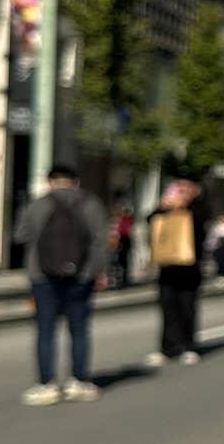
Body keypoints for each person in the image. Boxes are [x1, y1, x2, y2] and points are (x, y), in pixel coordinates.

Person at [13, 164, 107, 406]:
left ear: (50, 181)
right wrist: (96, 271)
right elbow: (102, 240)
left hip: (42, 276)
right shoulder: (91, 204)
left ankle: (47, 384)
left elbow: (21, 235)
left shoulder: (37, 205)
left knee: (45, 331)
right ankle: (79, 380)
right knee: (79, 330)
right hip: (81, 276)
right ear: (75, 181)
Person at [147, 177, 208, 366]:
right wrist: (163, 207)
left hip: (190, 269)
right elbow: (150, 220)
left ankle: (188, 346)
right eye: (178, 189)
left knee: (187, 308)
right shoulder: (165, 210)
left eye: (185, 189)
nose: (181, 193)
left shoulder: (198, 209)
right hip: (167, 267)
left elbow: (200, 230)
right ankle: (168, 347)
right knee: (167, 308)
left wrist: (184, 207)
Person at [107, 200, 135, 289]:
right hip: (115, 244)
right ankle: (115, 282)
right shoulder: (114, 221)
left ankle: (123, 281)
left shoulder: (125, 220)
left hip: (123, 243)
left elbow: (127, 231)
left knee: (122, 263)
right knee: (115, 264)